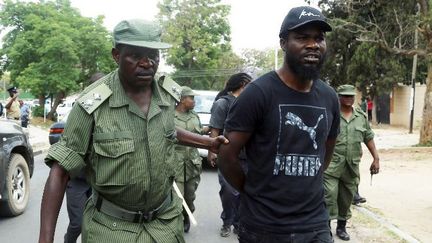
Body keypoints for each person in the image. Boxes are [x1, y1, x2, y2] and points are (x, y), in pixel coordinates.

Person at [38, 19, 227, 243]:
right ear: (116, 55)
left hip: (165, 226)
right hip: (110, 229)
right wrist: (45, 239)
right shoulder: (92, 105)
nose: (147, 63)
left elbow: (167, 130)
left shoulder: (167, 95)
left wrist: (206, 142)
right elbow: (60, 172)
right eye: (136, 56)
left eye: (154, 56)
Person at [218, 6, 340, 243]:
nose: (313, 45)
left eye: (319, 38)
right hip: (264, 227)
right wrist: (254, 192)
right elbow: (227, 156)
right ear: (284, 43)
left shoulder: (329, 96)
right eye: (302, 37)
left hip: (315, 224)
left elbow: (325, 152)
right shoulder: (258, 93)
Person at [324, 84, 380, 241]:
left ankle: (341, 227)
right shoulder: (330, 115)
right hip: (331, 164)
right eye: (345, 96)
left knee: (347, 197)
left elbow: (368, 137)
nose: (348, 99)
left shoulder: (360, 117)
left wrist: (376, 158)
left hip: (351, 165)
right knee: (329, 194)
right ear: (339, 97)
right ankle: (326, 227)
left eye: (351, 96)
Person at [207, 73, 252, 237]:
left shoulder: (250, 102)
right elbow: (215, 129)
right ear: (242, 84)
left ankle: (239, 222)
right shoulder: (222, 103)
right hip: (229, 156)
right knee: (229, 192)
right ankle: (227, 221)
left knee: (244, 192)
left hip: (249, 157)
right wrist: (212, 152)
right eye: (250, 84)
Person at [63, 73, 103, 243]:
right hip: (77, 180)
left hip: (99, 182)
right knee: (77, 223)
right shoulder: (80, 111)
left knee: (98, 225)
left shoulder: (112, 114)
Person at [173, 86, 206, 233]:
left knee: (190, 197)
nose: (194, 101)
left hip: (192, 162)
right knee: (177, 198)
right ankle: (177, 223)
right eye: (191, 98)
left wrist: (210, 129)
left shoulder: (194, 116)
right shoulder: (169, 116)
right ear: (181, 99)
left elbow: (198, 132)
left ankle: (187, 215)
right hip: (176, 162)